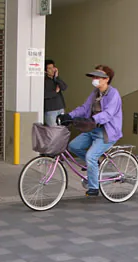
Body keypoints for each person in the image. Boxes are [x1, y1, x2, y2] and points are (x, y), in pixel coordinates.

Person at [57, 65, 123, 197]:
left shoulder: (113, 94)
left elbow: (109, 113)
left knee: (90, 156)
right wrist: (70, 115)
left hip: (107, 132)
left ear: (107, 79)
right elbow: (84, 107)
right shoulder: (95, 93)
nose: (95, 79)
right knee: (73, 146)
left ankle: (93, 187)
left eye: (99, 77)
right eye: (94, 76)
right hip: (93, 129)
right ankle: (94, 165)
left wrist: (93, 119)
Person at [44, 59, 67, 126]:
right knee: (53, 130)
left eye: (53, 67)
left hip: (60, 107)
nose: (52, 70)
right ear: (45, 71)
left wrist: (57, 77)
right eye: (49, 68)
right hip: (50, 109)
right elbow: (44, 95)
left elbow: (64, 87)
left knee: (62, 129)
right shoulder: (44, 81)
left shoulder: (56, 79)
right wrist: (55, 92)